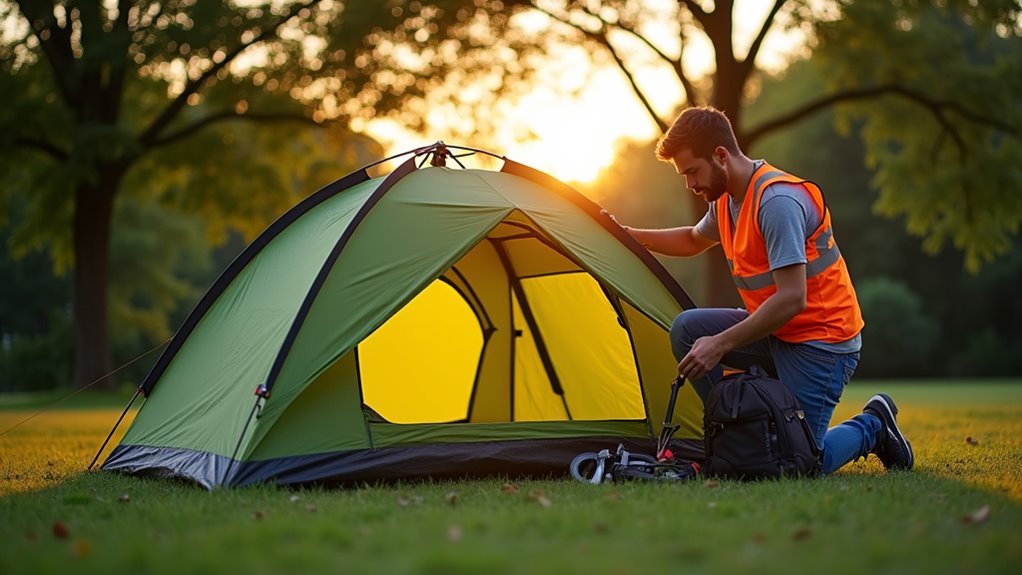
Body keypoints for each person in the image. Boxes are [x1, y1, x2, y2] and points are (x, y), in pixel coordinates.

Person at [621, 106, 913, 474]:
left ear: (720, 155)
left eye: (692, 171)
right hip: (776, 333)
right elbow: (694, 239)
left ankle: (874, 426)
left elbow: (792, 299)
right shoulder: (725, 200)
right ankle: (736, 434)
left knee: (800, 464)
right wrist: (628, 236)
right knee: (687, 330)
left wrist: (721, 343)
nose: (690, 184)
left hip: (821, 342)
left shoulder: (776, 203)